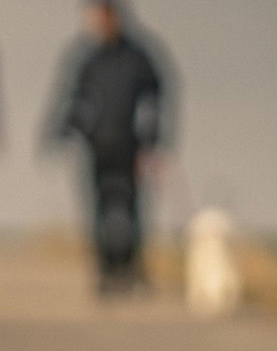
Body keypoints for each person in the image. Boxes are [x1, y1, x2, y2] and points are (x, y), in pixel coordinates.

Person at [45, 0, 174, 294]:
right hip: (96, 146)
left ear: (112, 17)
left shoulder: (138, 56)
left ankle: (130, 267)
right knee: (98, 209)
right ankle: (105, 269)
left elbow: (155, 98)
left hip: (130, 147)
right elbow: (73, 96)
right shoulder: (86, 56)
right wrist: (62, 131)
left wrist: (152, 141)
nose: (93, 24)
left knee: (131, 209)